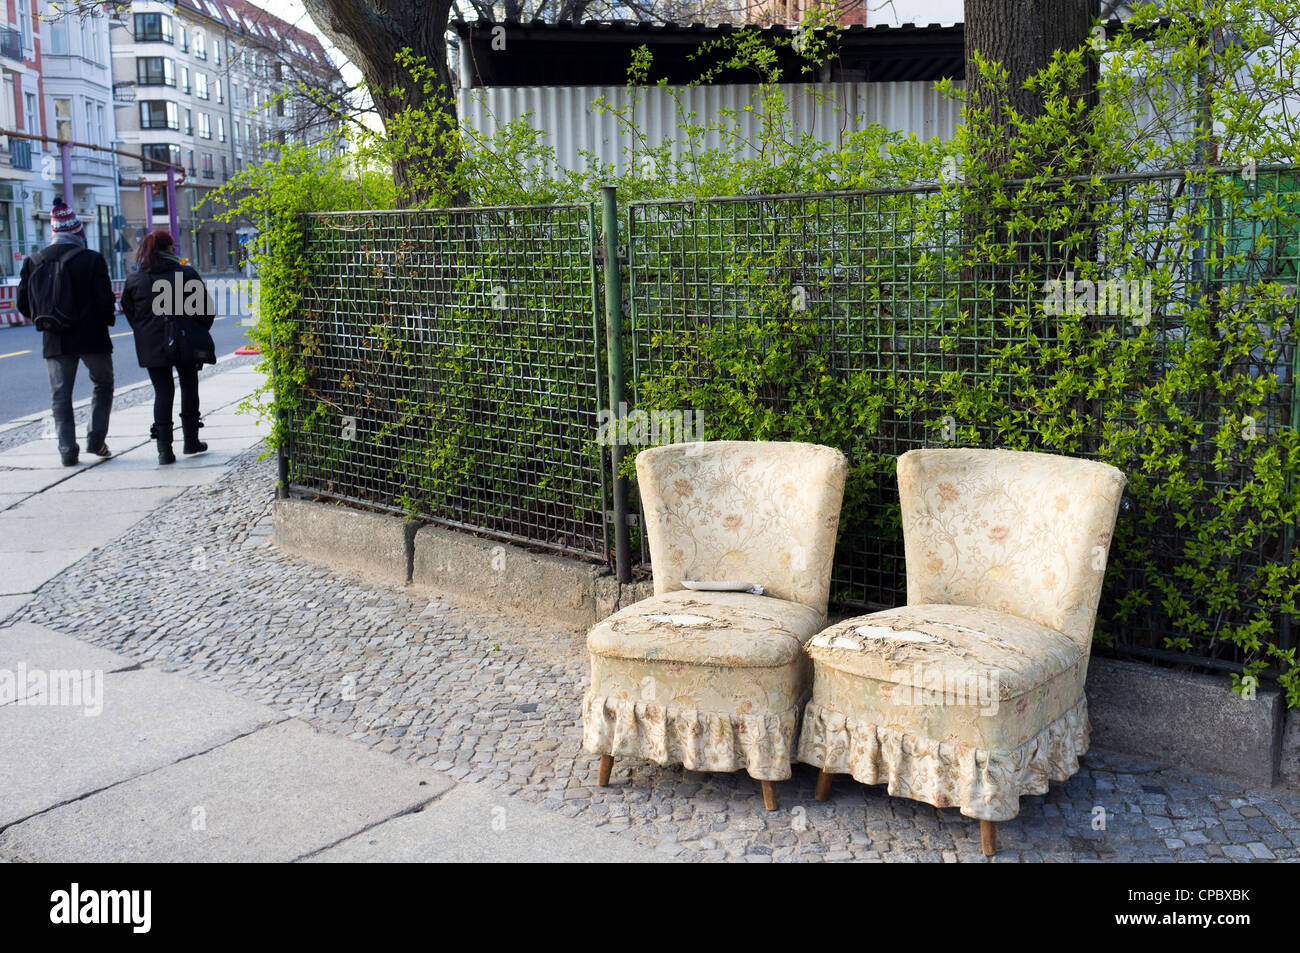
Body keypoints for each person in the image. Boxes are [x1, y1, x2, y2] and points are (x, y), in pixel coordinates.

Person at [17, 197, 117, 466]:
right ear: (77, 231)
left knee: (60, 396)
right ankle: (96, 441)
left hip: (55, 339)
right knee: (103, 384)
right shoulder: (92, 259)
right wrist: (105, 320)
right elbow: (106, 302)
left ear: (53, 231)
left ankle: (67, 451)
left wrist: (49, 321)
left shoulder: (34, 261)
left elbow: (23, 304)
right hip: (92, 337)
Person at [119, 230, 215, 464]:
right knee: (189, 387)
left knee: (162, 392)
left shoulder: (136, 280)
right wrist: (196, 329)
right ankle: (191, 441)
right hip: (184, 340)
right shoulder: (186, 274)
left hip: (152, 344)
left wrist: (146, 333)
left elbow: (130, 313)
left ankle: (164, 451)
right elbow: (205, 311)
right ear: (170, 248)